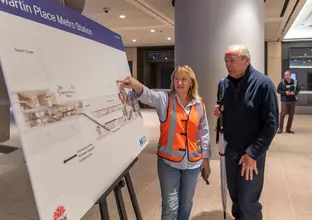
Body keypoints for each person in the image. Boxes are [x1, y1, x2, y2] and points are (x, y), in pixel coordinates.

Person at [117, 65, 211, 220]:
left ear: (191, 83)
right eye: (176, 79)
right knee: (170, 206)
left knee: (187, 202)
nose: (179, 82)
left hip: (193, 164)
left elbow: (204, 133)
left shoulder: (199, 104)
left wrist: (205, 159)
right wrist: (136, 84)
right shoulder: (165, 99)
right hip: (169, 163)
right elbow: (149, 95)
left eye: (183, 79)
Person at [213, 44, 279, 220]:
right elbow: (223, 105)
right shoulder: (224, 83)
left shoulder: (263, 84)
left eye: (232, 60)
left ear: (246, 60)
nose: (227, 64)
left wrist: (253, 154)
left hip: (251, 153)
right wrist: (220, 110)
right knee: (235, 196)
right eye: (226, 60)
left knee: (248, 202)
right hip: (231, 150)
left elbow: (271, 124)